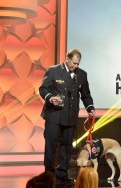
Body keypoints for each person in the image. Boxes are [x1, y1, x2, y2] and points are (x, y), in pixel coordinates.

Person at [39, 49, 96, 186]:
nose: (76, 66)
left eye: (78, 64)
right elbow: (43, 89)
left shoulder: (81, 74)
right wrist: (50, 98)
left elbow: (86, 94)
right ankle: (49, 175)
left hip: (70, 117)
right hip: (54, 115)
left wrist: (90, 108)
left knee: (66, 147)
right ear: (67, 59)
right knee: (51, 146)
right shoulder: (53, 71)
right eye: (74, 63)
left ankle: (63, 175)